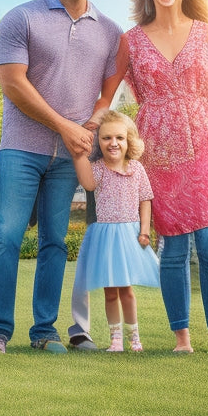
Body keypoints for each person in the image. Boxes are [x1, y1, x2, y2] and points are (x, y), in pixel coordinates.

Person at [91, 0, 208, 354]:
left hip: (206, 145)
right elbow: (107, 95)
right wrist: (87, 129)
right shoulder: (131, 40)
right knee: (171, 249)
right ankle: (181, 339)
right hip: (157, 153)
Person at [0, 0, 122, 353]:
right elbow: (13, 84)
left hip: (71, 157)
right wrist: (64, 124)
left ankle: (44, 331)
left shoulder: (112, 32)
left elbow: (106, 95)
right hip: (22, 148)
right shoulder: (21, 18)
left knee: (56, 241)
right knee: (7, 236)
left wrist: (91, 125)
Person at [71, 110, 159, 352]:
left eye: (119, 138)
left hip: (129, 235)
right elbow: (88, 183)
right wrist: (79, 156)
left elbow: (145, 200)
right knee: (111, 292)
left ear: (129, 140)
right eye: (107, 138)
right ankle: (116, 339)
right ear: (99, 141)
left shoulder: (137, 169)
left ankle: (135, 338)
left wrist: (144, 231)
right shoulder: (98, 169)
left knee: (127, 291)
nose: (113, 143)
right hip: (106, 237)